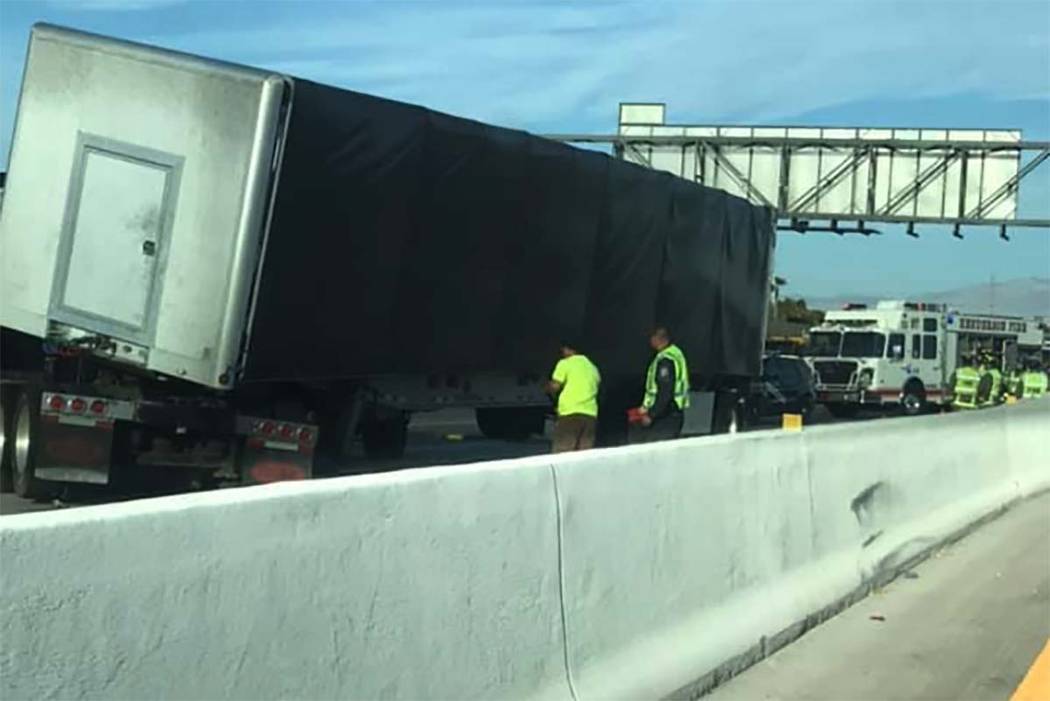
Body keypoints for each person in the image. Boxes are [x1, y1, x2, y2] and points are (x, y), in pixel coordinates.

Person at [632, 326, 690, 443]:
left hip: (665, 416)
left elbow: (665, 391)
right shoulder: (676, 354)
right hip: (672, 412)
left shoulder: (666, 360)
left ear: (658, 339)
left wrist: (652, 414)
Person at [547, 340, 601, 453]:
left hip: (570, 414)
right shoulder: (593, 368)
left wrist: (549, 392)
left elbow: (554, 387)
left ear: (568, 349)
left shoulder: (566, 363)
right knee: (583, 456)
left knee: (562, 454)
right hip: (590, 416)